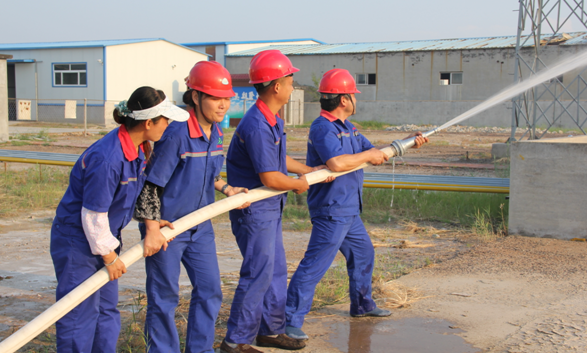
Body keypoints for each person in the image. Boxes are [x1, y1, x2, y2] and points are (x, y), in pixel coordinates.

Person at [284, 69, 429, 341]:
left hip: (349, 210)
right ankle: (289, 321)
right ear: (344, 99)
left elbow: (376, 152)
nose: (355, 100)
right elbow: (336, 163)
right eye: (353, 95)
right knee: (314, 266)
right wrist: (369, 154)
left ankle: (362, 305)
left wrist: (409, 142)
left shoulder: (349, 128)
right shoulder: (323, 127)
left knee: (364, 254)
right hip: (331, 209)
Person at [50, 86, 189, 352]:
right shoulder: (108, 158)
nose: (168, 125)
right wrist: (109, 257)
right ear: (149, 123)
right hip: (78, 242)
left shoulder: (136, 148)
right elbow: (92, 216)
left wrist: (150, 221)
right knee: (79, 314)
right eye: (165, 120)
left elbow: (126, 196)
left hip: (104, 239)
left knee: (106, 311)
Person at [134, 61, 249, 353]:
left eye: (226, 98)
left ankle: (200, 349)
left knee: (210, 291)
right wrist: (151, 229)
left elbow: (208, 175)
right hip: (167, 228)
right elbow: (150, 186)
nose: (223, 105)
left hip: (200, 226)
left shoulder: (217, 132)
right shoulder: (177, 133)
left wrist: (227, 189)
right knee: (165, 296)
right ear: (195, 97)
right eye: (214, 98)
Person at [220, 50, 330, 353]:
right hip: (254, 210)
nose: (293, 86)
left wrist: (309, 170)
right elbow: (270, 177)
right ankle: (237, 340)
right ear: (276, 87)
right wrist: (299, 185)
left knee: (276, 271)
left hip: (269, 208)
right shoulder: (256, 125)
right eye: (290, 80)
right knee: (258, 272)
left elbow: (278, 160)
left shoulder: (271, 119)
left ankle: (270, 330)